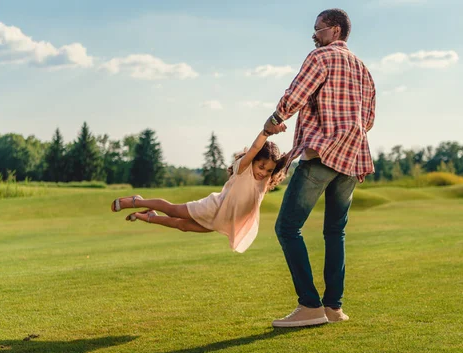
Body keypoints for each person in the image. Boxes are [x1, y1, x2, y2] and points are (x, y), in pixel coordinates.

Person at [263, 9, 376, 327]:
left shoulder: (321, 57)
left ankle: (310, 306)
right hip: (352, 157)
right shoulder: (364, 69)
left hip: (321, 154)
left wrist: (274, 120)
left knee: (287, 228)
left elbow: (296, 95)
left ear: (335, 30)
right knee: (334, 232)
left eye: (319, 29)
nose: (314, 34)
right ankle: (334, 308)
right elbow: (368, 119)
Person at [110, 129, 287, 253]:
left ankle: (148, 216)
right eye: (261, 166)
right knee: (173, 210)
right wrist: (267, 131)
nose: (263, 172)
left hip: (222, 220)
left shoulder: (264, 182)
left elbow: (289, 158)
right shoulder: (244, 169)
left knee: (183, 226)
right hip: (214, 208)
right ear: (254, 160)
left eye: (269, 170)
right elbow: (256, 148)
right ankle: (137, 200)